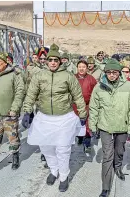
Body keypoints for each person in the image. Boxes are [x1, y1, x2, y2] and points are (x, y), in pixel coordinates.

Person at [22, 43, 87, 192]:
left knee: (62, 148)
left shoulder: (68, 76)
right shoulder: (39, 76)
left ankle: (63, 176)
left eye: (55, 60)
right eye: (50, 60)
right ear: (46, 61)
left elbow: (78, 96)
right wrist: (27, 112)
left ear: (59, 61)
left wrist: (83, 114)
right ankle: (53, 170)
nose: (52, 62)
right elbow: (31, 94)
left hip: (64, 118)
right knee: (46, 147)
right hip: (44, 117)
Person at [89, 58, 130, 197]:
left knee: (119, 151)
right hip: (105, 126)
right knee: (107, 156)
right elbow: (94, 108)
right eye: (109, 72)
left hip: (122, 126)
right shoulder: (99, 87)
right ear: (105, 73)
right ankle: (105, 187)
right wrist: (93, 126)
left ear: (119, 73)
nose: (112, 75)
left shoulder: (129, 87)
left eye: (114, 72)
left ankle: (118, 167)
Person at [72, 60, 97, 152]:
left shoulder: (91, 79)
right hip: (75, 106)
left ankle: (87, 143)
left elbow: (95, 93)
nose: (81, 69)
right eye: (80, 67)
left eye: (83, 67)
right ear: (77, 68)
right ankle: (79, 138)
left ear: (87, 68)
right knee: (77, 124)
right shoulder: (72, 78)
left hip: (87, 106)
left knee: (87, 125)